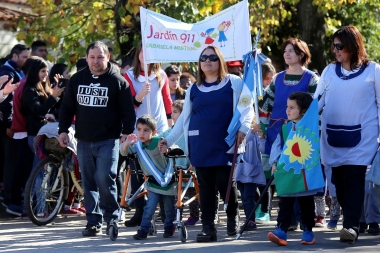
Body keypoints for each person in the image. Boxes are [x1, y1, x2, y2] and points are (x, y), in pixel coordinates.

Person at [159, 45, 253, 242]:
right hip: (201, 145)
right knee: (206, 188)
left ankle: (231, 215)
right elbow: (184, 118)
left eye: (212, 57)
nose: (208, 61)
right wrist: (168, 140)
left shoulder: (234, 82)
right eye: (203, 58)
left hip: (226, 144)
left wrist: (244, 129)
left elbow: (247, 107)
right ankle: (208, 228)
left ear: (220, 61)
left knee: (225, 183)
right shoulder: (193, 88)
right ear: (199, 64)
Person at [58, 41, 136, 236]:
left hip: (109, 139)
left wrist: (127, 131)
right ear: (86, 58)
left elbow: (128, 111)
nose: (95, 61)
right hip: (83, 139)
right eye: (92, 57)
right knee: (89, 182)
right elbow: (67, 107)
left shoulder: (119, 81)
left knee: (104, 177)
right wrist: (63, 130)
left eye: (100, 57)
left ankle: (112, 217)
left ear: (107, 57)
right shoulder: (77, 79)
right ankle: (93, 221)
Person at [315, 25, 380, 244]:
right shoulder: (329, 72)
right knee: (339, 185)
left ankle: (350, 226)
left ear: (353, 46)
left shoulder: (373, 71)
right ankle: (357, 220)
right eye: (333, 46)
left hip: (362, 138)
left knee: (354, 180)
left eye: (339, 46)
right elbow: (317, 102)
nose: (335, 50)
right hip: (333, 138)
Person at [123, 42, 172, 227]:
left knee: (160, 169)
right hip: (139, 131)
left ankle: (161, 210)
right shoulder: (129, 76)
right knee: (137, 171)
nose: (146, 55)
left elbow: (167, 102)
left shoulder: (161, 75)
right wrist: (140, 95)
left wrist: (170, 127)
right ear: (138, 54)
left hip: (158, 130)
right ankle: (140, 210)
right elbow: (128, 106)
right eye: (143, 51)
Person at [268, 92, 316, 246]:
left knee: (306, 204)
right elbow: (277, 146)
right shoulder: (285, 128)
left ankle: (308, 230)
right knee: (285, 204)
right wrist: (274, 163)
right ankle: (281, 230)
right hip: (287, 172)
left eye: (292, 107)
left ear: (303, 110)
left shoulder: (311, 129)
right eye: (287, 107)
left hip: (304, 173)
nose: (287, 110)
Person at [120, 115, 177, 240]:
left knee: (169, 208)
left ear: (154, 132)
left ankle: (169, 227)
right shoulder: (137, 145)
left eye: (146, 130)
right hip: (152, 183)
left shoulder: (160, 141)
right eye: (139, 129)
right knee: (149, 207)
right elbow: (123, 152)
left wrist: (167, 149)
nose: (141, 133)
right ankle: (144, 230)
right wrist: (126, 143)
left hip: (168, 181)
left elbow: (175, 149)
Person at [4, 56, 40, 216]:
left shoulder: (24, 84)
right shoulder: (27, 86)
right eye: (43, 70)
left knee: (20, 169)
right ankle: (16, 203)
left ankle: (16, 203)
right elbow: (32, 111)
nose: (46, 74)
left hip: (21, 131)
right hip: (23, 131)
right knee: (22, 170)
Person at [161, 99, 199, 226]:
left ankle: (194, 215)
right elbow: (162, 138)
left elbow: (195, 147)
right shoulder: (169, 131)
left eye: (175, 112)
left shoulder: (190, 130)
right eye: (172, 112)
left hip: (188, 166)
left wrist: (194, 162)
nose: (172, 115)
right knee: (176, 194)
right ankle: (177, 215)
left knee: (191, 192)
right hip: (174, 168)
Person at [0, 44, 29, 207]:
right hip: (7, 125)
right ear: (15, 56)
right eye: (24, 57)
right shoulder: (7, 72)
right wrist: (9, 124)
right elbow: (5, 103)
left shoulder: (17, 71)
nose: (26, 60)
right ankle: (9, 197)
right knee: (10, 162)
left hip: (12, 124)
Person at [235, 117, 266, 231]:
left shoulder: (255, 133)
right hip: (240, 169)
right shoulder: (240, 132)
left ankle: (250, 220)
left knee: (248, 197)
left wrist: (262, 137)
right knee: (244, 197)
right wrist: (252, 132)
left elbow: (262, 149)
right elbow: (242, 141)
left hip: (251, 171)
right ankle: (249, 217)